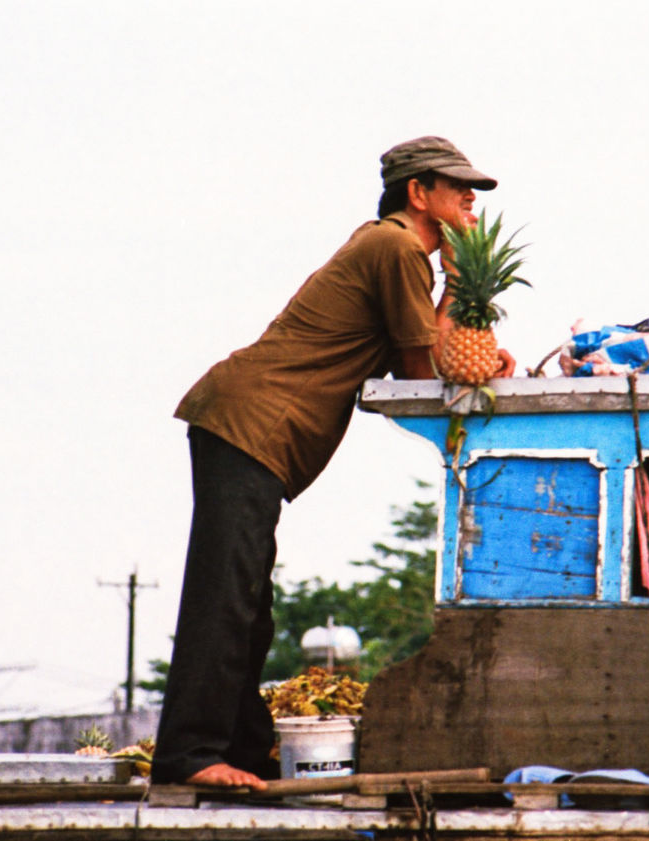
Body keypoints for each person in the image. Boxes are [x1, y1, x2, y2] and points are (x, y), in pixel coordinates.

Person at [151, 137, 514, 789]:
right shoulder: (398, 247)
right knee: (227, 594)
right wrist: (460, 286)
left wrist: (472, 342)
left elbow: (422, 354)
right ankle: (188, 755)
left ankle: (245, 743)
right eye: (456, 185)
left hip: (247, 425)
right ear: (417, 193)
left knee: (249, 598)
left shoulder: (385, 246)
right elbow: (418, 371)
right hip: (251, 421)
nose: (470, 197)